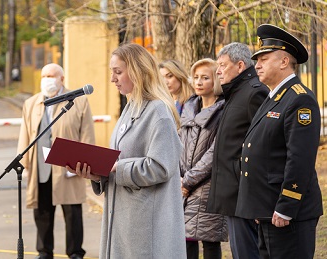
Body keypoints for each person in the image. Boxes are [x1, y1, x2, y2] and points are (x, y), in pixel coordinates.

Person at [67, 43, 186, 259]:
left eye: (118, 72)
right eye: (112, 72)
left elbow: (160, 167)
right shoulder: (130, 108)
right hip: (123, 219)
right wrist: (97, 173)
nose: (113, 79)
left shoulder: (158, 112)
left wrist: (114, 167)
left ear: (138, 71)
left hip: (146, 226)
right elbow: (120, 161)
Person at [235, 24, 323, 259]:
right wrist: (258, 204)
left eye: (264, 58)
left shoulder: (299, 99)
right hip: (267, 208)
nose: (258, 65)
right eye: (257, 59)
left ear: (284, 61)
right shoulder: (275, 96)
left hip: (286, 213)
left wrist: (286, 206)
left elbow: (300, 159)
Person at [17, 63, 95, 259]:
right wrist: (25, 163)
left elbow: (87, 135)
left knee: (72, 212)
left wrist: (83, 162)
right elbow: (25, 135)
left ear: (62, 79)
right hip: (41, 167)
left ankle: (75, 252)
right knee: (42, 212)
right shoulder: (32, 103)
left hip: (68, 166)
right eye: (44, 76)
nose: (47, 79)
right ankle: (44, 252)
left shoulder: (79, 101)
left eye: (51, 75)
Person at [206, 42, 269, 259]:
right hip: (233, 193)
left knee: (247, 253)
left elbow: (262, 147)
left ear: (240, 65)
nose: (218, 70)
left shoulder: (254, 93)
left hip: (243, 193)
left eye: (223, 65)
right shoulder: (235, 92)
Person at [179, 58, 227, 259]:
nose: (198, 82)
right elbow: (180, 143)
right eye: (196, 77)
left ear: (216, 80)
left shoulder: (224, 109)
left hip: (209, 185)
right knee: (185, 237)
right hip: (182, 182)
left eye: (205, 78)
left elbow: (215, 153)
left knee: (209, 239)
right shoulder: (189, 107)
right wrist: (179, 178)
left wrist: (189, 180)